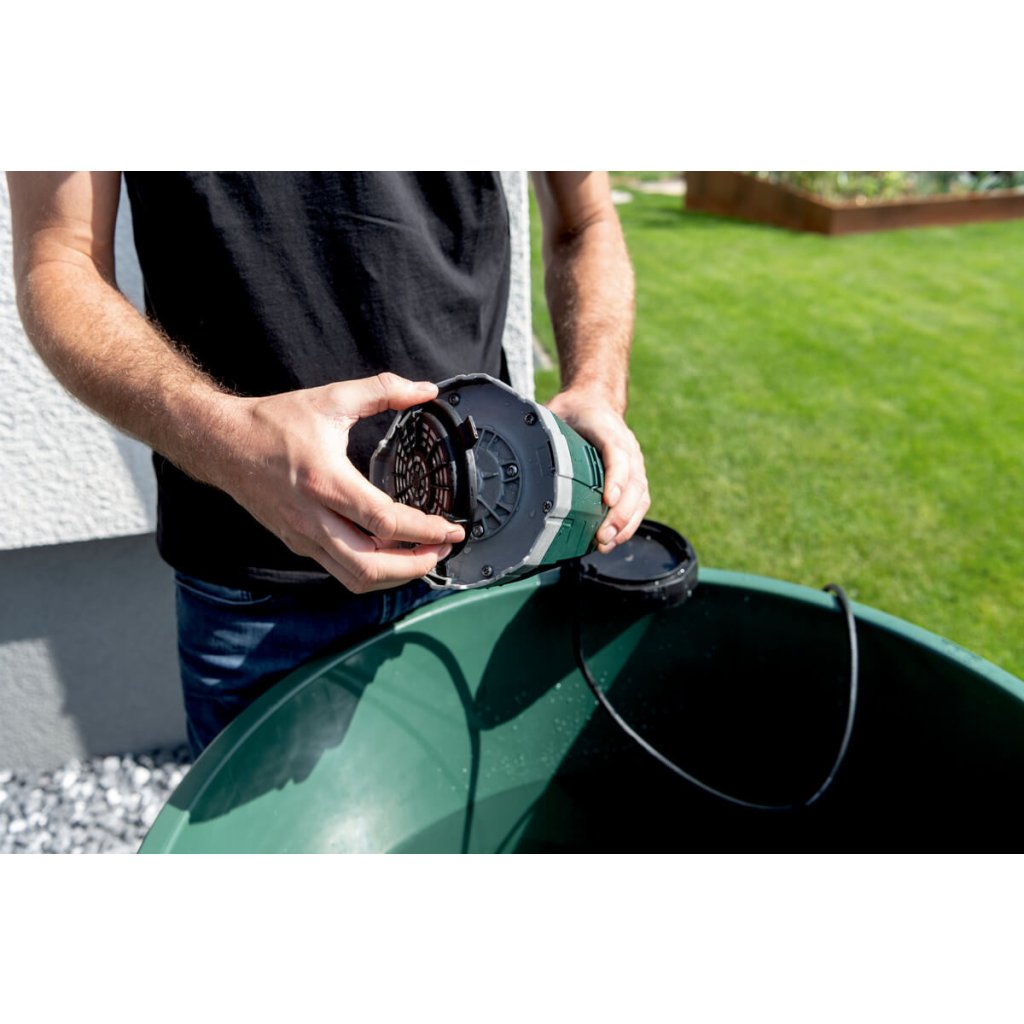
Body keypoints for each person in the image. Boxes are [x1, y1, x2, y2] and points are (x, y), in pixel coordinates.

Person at [7, 171, 649, 755]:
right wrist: (226, 440)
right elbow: (60, 257)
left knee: (473, 818)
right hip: (258, 594)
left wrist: (595, 387)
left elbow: (586, 219)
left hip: (487, 556)